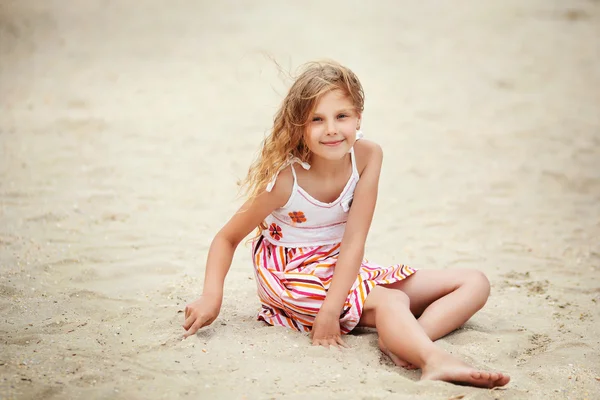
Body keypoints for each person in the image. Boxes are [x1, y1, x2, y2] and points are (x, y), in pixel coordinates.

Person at [182, 60, 510, 388]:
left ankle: (405, 339)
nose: (332, 130)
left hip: (344, 264)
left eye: (342, 116)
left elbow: (354, 240)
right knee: (393, 301)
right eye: (317, 120)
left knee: (474, 282)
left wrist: (333, 306)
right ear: (299, 126)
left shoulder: (368, 156)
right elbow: (226, 238)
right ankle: (434, 360)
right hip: (294, 276)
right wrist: (212, 296)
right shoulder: (285, 179)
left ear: (358, 117)